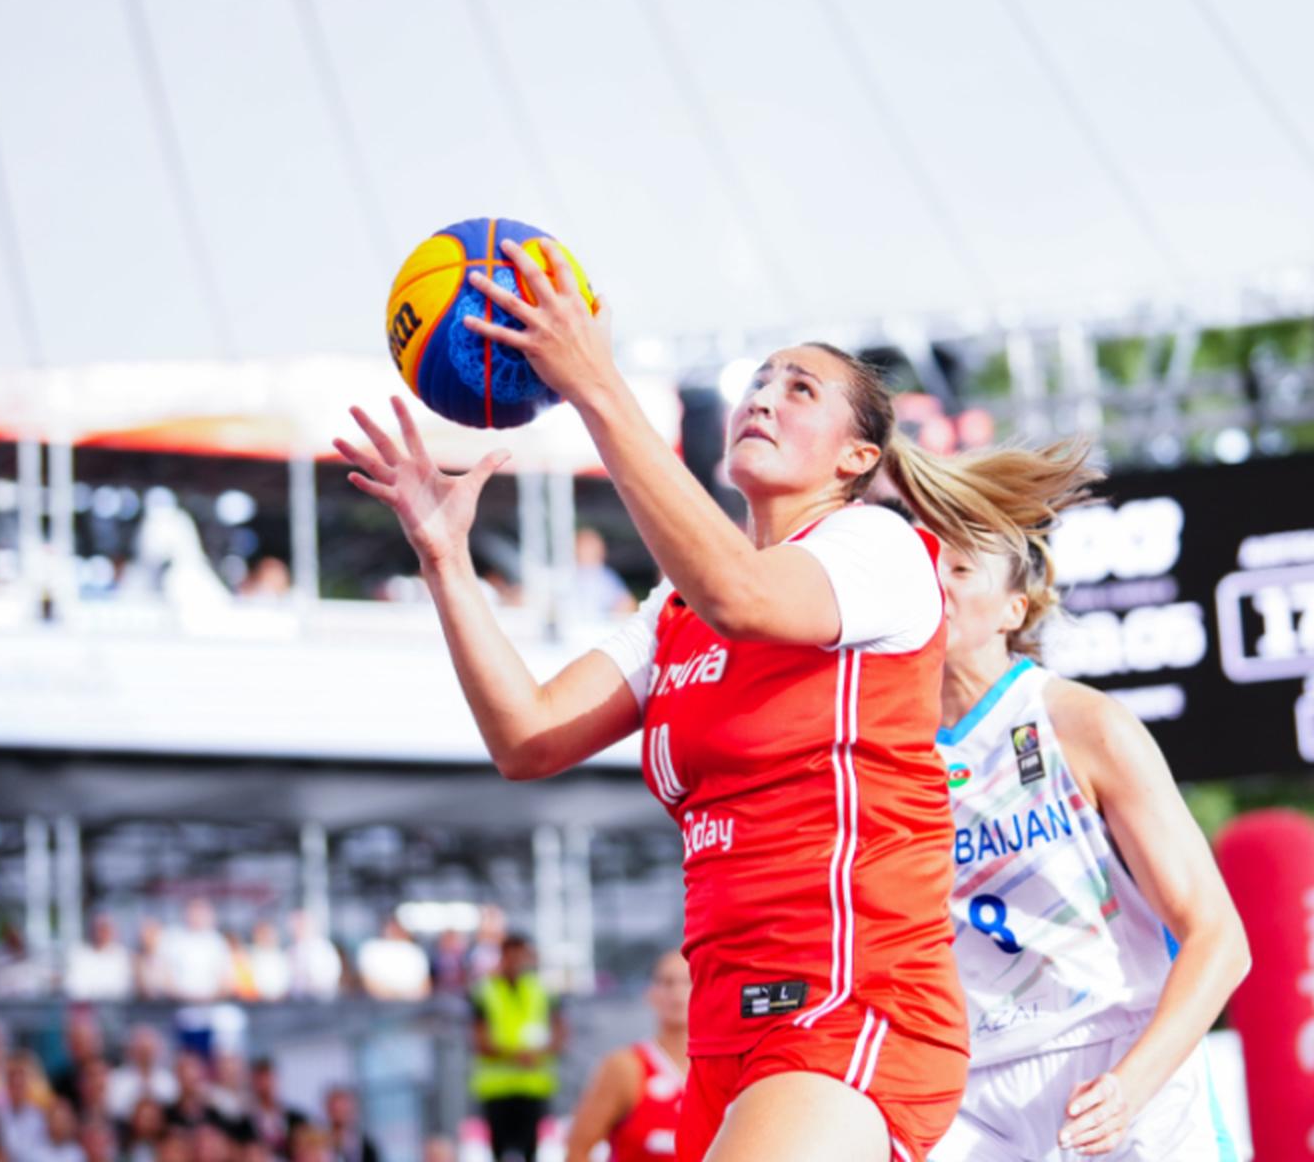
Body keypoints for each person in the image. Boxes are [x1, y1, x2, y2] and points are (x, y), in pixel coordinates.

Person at [335, 242, 1087, 1162]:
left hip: (855, 1002)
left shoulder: (878, 549)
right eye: (758, 382)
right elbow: (527, 736)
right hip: (727, 1035)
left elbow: (745, 595)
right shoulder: (676, 609)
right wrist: (446, 559)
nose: (763, 397)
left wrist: (594, 383)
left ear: (857, 456)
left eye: (799, 389)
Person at [928, 513, 1251, 1160]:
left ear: (1014, 609)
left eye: (960, 570)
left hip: (1114, 1057)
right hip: (969, 1092)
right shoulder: (879, 753)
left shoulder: (1083, 723)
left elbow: (1221, 939)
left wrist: (1131, 1087)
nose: (937, 584)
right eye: (925, 568)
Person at [564, 948, 690, 1162]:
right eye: (667, 983)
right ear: (650, 993)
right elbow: (577, 1150)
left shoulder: (725, 1070)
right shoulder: (625, 1067)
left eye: (689, 982)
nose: (678, 993)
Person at [470, 933, 564, 1162]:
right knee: (500, 1149)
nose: (517, 962)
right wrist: (516, 1056)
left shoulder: (542, 989)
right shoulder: (485, 990)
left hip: (533, 1085)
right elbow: (479, 1040)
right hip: (497, 1087)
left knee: (531, 1149)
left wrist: (539, 1054)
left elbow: (560, 1031)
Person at [159, 900, 231, 1003]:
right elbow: (165, 976)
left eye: (201, 913)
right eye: (194, 912)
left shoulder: (216, 940)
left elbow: (225, 979)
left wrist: (211, 998)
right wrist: (183, 997)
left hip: (212, 1003)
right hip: (178, 1003)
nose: (197, 916)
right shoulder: (173, 937)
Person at [108, 1026, 178, 1120]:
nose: (145, 1055)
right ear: (130, 1051)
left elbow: (171, 1104)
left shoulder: (168, 1078)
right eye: (141, 1050)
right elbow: (115, 1108)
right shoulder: (117, 1078)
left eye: (148, 1050)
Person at [356, 917, 430, 1001]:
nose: (394, 930)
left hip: (413, 1004)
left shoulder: (415, 951)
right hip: (379, 1004)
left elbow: (425, 987)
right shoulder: (371, 948)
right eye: (391, 926)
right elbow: (369, 984)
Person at [64, 913, 135, 1002]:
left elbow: (123, 988)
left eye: (105, 929)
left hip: (115, 1006)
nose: (101, 933)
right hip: (85, 1007)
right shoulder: (78, 953)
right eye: (98, 928)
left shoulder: (121, 955)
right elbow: (74, 987)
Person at [570, 526, 635, 620]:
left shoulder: (607, 576)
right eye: (586, 547)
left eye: (593, 547)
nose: (591, 551)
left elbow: (627, 603)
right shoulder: (566, 574)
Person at [245, 1058, 307, 1157]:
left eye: (268, 1079)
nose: (265, 1085)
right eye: (260, 1080)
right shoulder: (244, 1122)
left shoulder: (297, 1118)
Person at [323, 1086, 380, 1162]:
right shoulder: (320, 1143)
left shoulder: (366, 1145)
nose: (341, 1114)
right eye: (337, 1110)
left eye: (344, 1109)